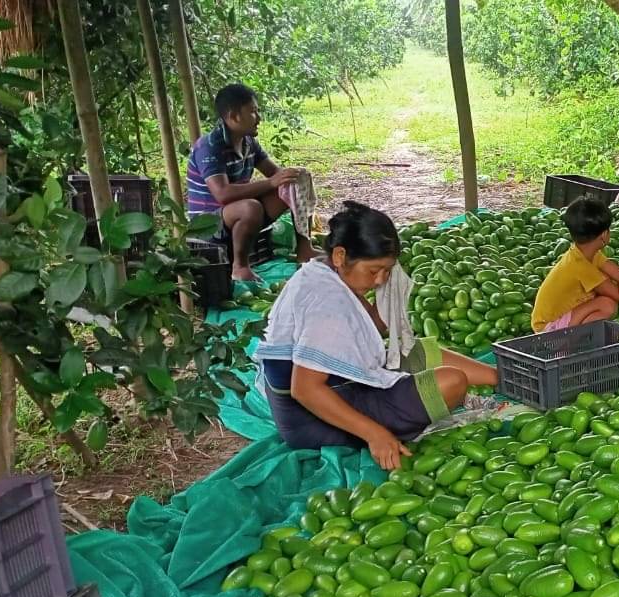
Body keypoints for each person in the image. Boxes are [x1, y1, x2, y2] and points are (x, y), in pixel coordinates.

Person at [256, 201, 498, 470]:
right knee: (450, 382)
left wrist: (388, 294)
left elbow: (371, 328)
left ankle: (502, 378)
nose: (381, 279)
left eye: (387, 270)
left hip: (340, 385)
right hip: (312, 421)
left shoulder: (323, 271)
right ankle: (383, 426)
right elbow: (305, 390)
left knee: (410, 350)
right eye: (373, 271)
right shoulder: (327, 303)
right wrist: (375, 434)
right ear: (340, 256)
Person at [187, 83, 315, 281]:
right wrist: (272, 183)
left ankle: (304, 249)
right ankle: (240, 267)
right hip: (207, 224)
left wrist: (291, 179)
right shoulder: (209, 146)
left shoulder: (249, 142)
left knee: (297, 181)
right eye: (253, 112)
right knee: (250, 207)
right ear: (233, 116)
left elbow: (276, 175)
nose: (259, 118)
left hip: (237, 214)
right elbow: (223, 194)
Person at [531, 198, 619, 333]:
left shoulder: (585, 254)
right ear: (603, 235)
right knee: (607, 305)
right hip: (547, 329)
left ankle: (578, 338)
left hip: (558, 319)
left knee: (607, 303)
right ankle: (574, 343)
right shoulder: (580, 266)